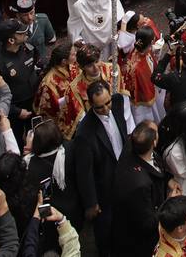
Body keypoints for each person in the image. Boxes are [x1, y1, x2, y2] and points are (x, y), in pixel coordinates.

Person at [71, 80, 134, 255]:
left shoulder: (118, 103)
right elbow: (84, 172)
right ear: (91, 105)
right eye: (100, 107)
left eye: (108, 103)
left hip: (124, 175)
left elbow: (125, 135)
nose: (106, 109)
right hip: (104, 187)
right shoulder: (84, 132)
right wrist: (91, 202)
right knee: (105, 232)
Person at [113, 121, 171, 257]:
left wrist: (169, 180)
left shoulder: (136, 146)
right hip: (139, 242)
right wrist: (169, 202)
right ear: (154, 143)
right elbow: (148, 222)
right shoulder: (140, 183)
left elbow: (157, 167)